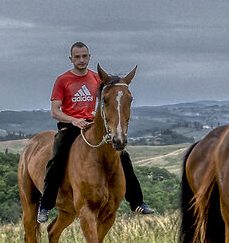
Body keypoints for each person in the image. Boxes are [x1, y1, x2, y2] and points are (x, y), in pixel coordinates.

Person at [43, 40, 149, 216]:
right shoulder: (62, 80)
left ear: (89, 57)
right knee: (57, 159)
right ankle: (45, 205)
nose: (81, 60)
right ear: (71, 59)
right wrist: (74, 120)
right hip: (70, 127)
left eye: (84, 56)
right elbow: (55, 112)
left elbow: (108, 102)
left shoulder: (97, 79)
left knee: (123, 157)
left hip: (93, 127)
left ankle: (137, 202)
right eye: (77, 57)